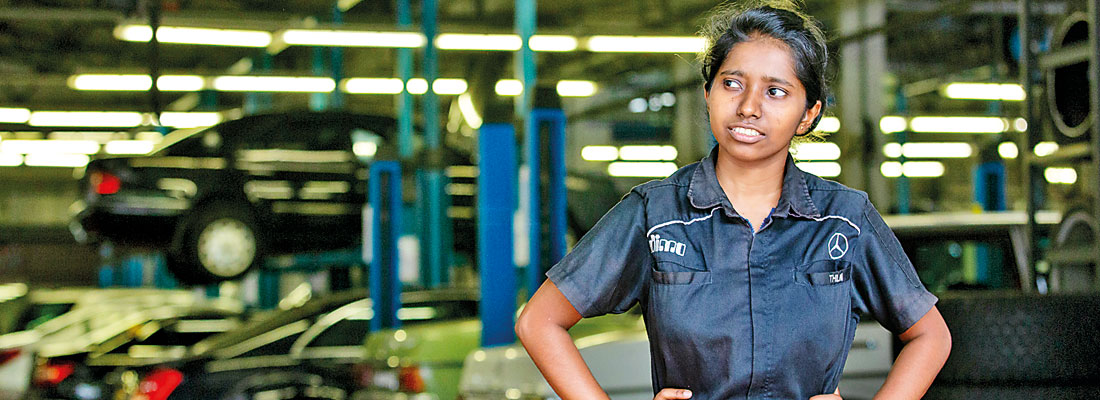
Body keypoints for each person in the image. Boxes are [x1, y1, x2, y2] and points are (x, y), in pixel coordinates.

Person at [514, 1, 952, 399]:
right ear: (708, 95)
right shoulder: (655, 214)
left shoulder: (845, 220)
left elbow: (931, 336)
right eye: (732, 83)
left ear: (808, 114)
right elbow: (538, 322)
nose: (748, 106)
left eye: (775, 91)